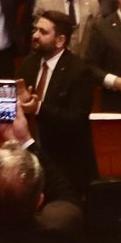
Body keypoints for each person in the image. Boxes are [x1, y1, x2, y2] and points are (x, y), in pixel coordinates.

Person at [16, 10, 97, 192]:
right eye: (35, 30)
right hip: (31, 158)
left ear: (60, 41)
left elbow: (76, 120)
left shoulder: (79, 72)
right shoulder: (29, 63)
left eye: (43, 32)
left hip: (66, 163)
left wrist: (38, 108)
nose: (35, 35)